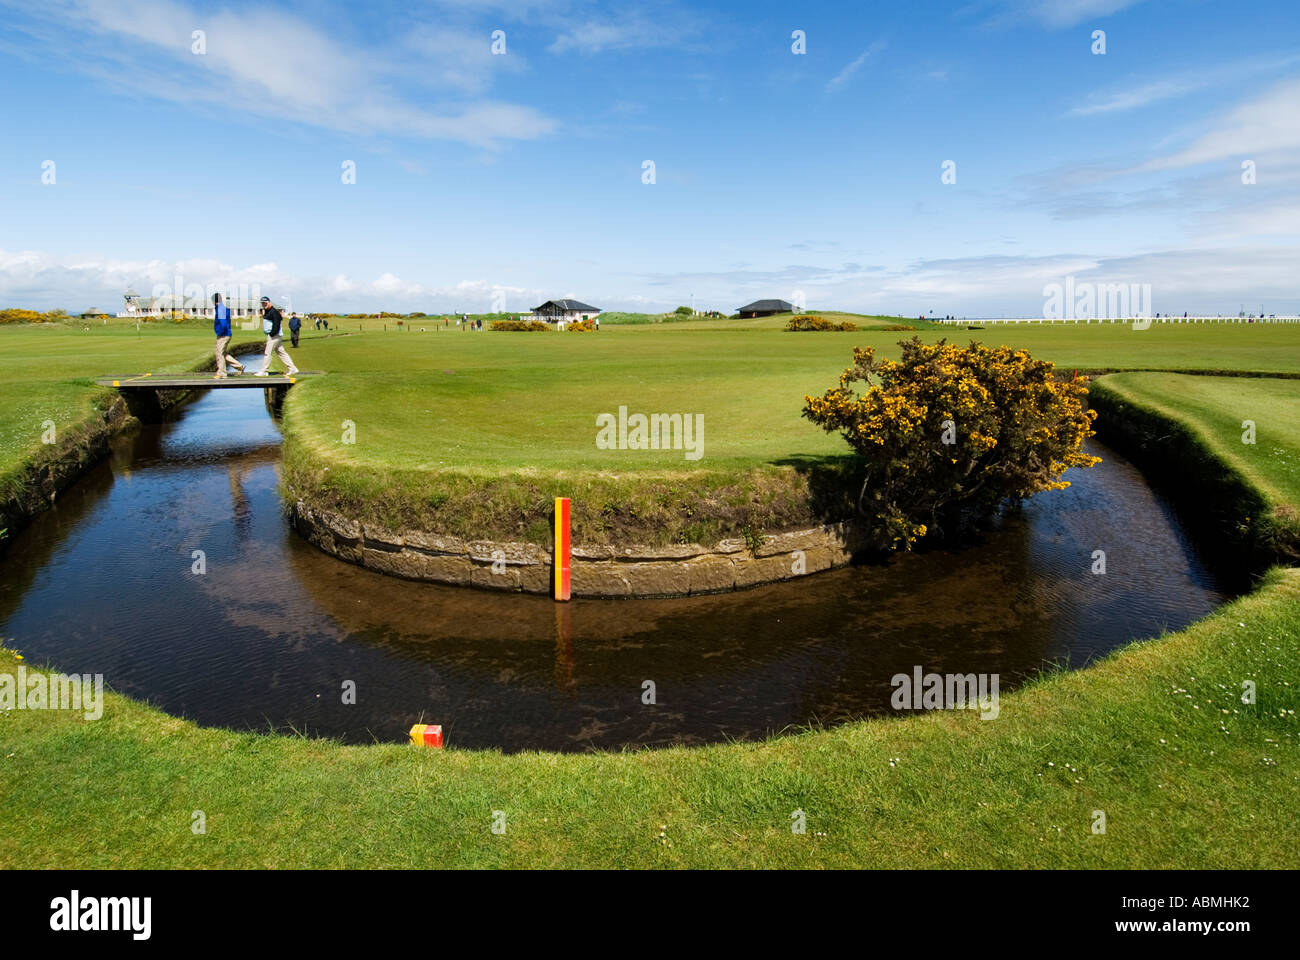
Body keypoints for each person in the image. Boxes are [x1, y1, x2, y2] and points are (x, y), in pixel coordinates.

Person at [255, 296, 299, 377]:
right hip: (274, 335)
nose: (264, 304)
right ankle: (293, 369)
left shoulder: (273, 312)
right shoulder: (267, 311)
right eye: (262, 303)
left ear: (269, 302)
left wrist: (272, 334)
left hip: (274, 336)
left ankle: (263, 371)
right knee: (281, 352)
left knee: (267, 352)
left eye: (265, 303)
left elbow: (277, 324)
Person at [212, 293, 245, 379]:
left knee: (219, 354)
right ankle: (239, 366)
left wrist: (220, 332)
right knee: (223, 353)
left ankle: (222, 373)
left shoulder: (220, 308)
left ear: (214, 301)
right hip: (226, 333)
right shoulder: (222, 308)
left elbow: (222, 323)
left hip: (223, 334)